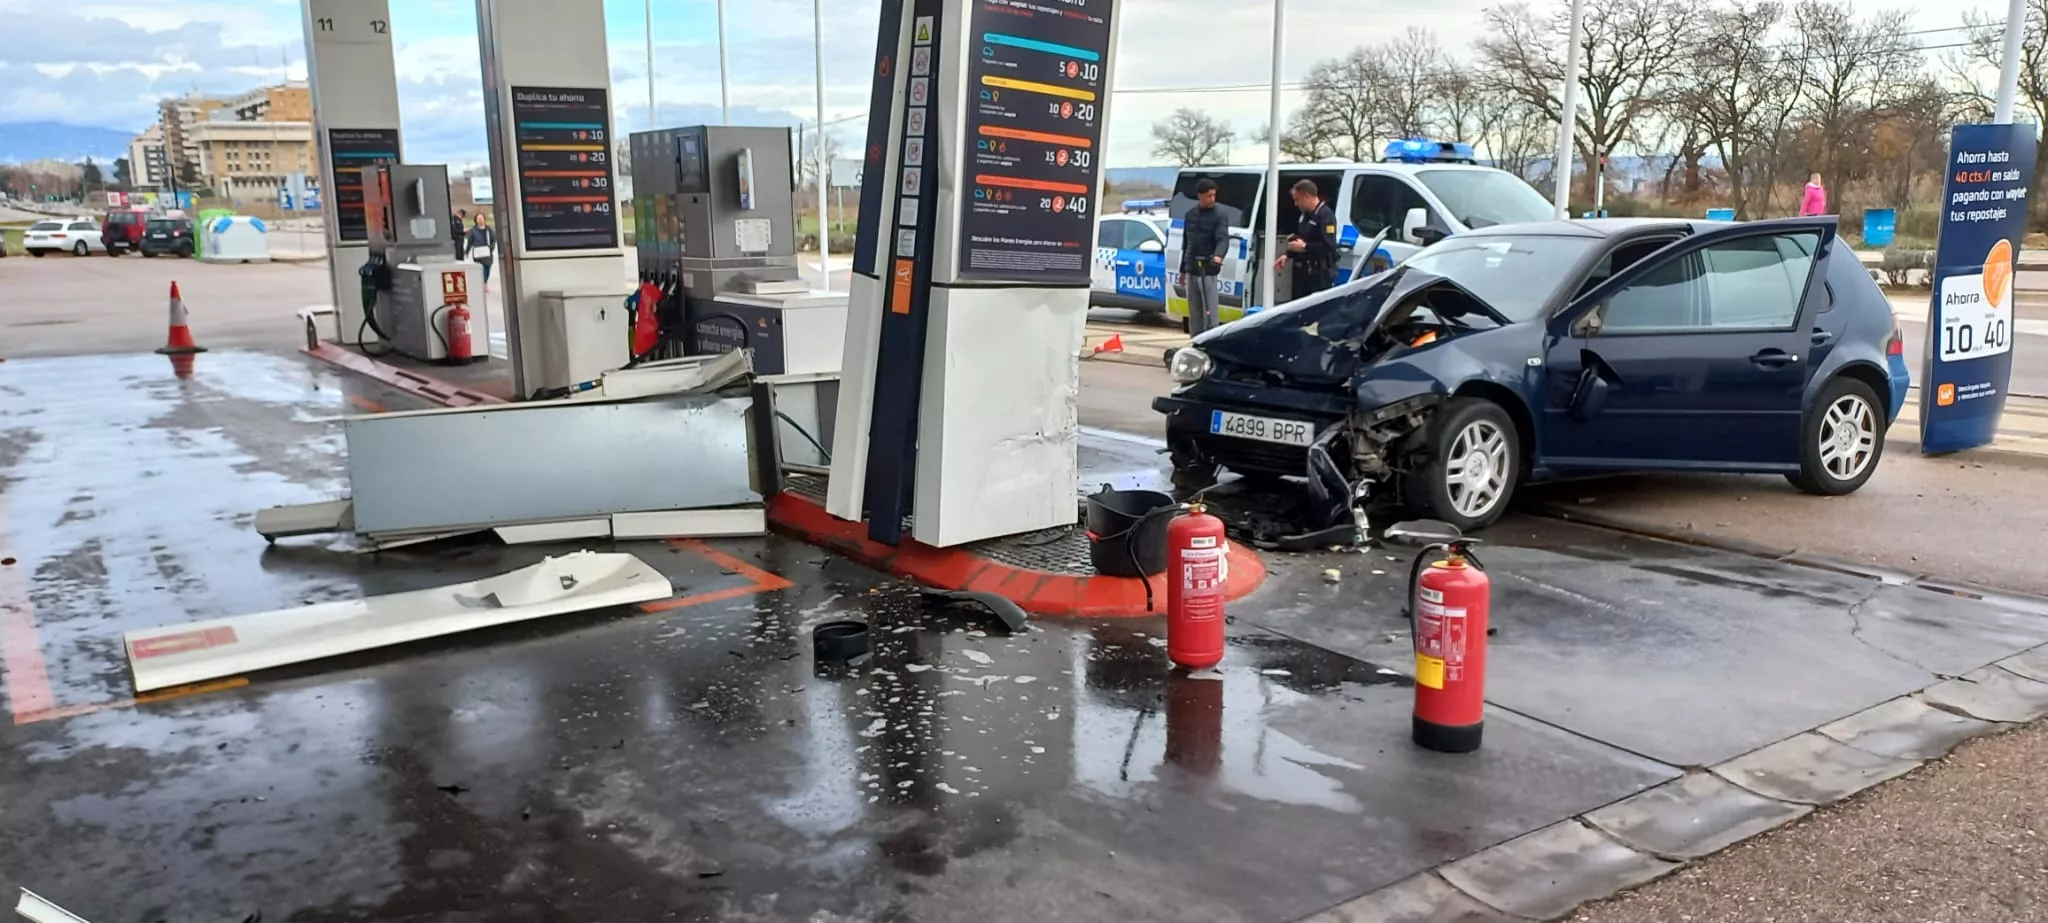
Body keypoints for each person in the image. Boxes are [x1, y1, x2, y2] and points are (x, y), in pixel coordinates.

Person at [1181, 178, 1231, 335]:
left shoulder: (1220, 215)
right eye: (1208, 196)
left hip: (1208, 268)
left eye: (1214, 195)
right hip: (1191, 267)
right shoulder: (1190, 215)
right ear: (1200, 196)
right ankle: (1195, 339)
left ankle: (1211, 338)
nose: (1212, 199)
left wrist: (1218, 255)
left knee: (1210, 309)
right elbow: (1186, 242)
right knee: (1194, 310)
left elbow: (1223, 238)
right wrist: (1183, 269)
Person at [1274, 179, 1337, 300]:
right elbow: (1304, 238)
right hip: (1304, 272)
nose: (1296, 204)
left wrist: (1305, 247)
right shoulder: (1305, 215)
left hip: (1320, 274)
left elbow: (1329, 245)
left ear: (1307, 196)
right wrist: (1288, 254)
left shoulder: (1325, 215)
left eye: (1297, 199)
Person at [467, 214, 495, 290]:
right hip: (478, 253)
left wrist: (491, 248)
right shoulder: (473, 230)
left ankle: (485, 281)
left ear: (484, 219)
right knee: (480, 268)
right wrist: (467, 251)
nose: (480, 220)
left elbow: (493, 240)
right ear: (476, 220)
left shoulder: (489, 229)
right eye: (478, 219)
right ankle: (484, 283)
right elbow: (470, 241)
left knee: (487, 268)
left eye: (481, 219)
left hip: (487, 253)